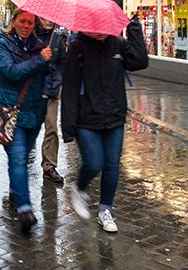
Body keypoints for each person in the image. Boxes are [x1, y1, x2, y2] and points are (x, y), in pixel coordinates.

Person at [61, 16, 148, 233]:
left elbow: (140, 62)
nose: (99, 31)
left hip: (114, 117)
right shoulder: (77, 48)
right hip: (86, 119)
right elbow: (70, 88)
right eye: (94, 26)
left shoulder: (118, 44)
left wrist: (134, 29)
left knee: (112, 165)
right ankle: (79, 188)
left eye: (102, 25)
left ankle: (105, 210)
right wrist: (68, 127)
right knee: (94, 162)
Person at [0, 9, 53, 232]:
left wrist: (47, 91)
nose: (27, 25)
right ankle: (25, 209)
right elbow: (11, 72)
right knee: (17, 158)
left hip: (35, 111)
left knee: (23, 157)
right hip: (10, 109)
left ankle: (16, 190)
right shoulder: (2, 44)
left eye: (30, 22)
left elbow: (51, 74)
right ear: (14, 21)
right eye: (23, 21)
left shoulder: (40, 46)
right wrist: (39, 60)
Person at [36, 18, 67, 184]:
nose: (48, 21)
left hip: (52, 91)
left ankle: (49, 166)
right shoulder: (31, 35)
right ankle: (18, 168)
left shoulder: (57, 38)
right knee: (26, 130)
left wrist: (56, 80)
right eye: (43, 17)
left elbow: (63, 63)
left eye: (50, 18)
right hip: (33, 91)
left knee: (52, 128)